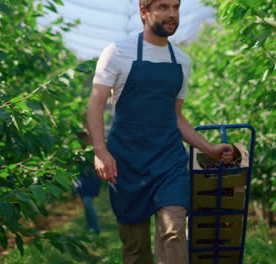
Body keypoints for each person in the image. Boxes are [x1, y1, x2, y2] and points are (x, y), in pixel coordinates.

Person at [86, 0, 234, 263]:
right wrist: (100, 151)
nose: (172, 14)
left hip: (169, 161)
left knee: (174, 231)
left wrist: (208, 148)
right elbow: (95, 104)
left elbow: (175, 116)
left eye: (176, 7)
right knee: (135, 250)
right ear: (144, 12)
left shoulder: (182, 61)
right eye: (163, 7)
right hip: (127, 163)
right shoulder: (118, 52)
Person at [73, 130, 101, 235]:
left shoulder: (91, 151)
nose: (82, 141)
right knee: (86, 205)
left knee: (87, 203)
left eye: (84, 138)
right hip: (81, 183)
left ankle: (95, 230)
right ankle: (90, 228)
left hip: (91, 182)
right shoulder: (77, 152)